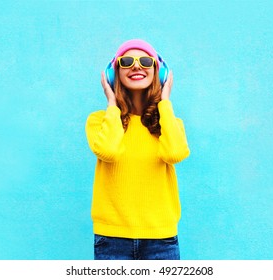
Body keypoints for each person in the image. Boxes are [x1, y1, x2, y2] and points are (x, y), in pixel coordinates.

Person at [85, 39, 190, 260]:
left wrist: (165, 102)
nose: (136, 66)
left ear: (158, 72)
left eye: (144, 61)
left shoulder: (170, 123)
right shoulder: (100, 120)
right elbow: (108, 151)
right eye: (127, 61)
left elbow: (175, 154)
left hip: (161, 239)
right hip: (111, 239)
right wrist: (112, 104)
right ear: (114, 74)